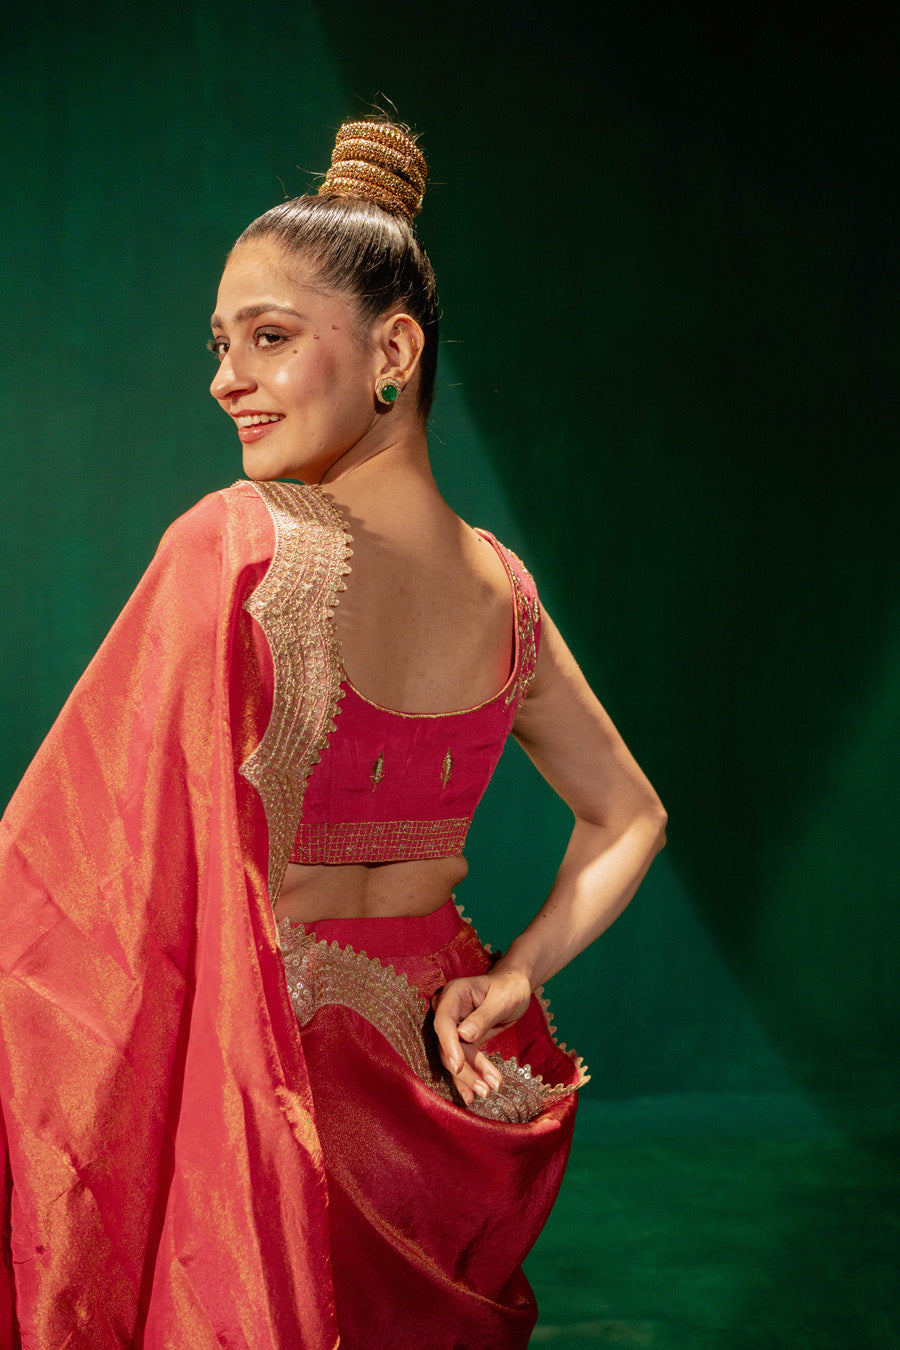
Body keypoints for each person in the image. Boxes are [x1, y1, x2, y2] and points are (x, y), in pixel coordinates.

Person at [0, 119, 666, 1348]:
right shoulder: (506, 595)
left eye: (269, 337)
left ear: (392, 351)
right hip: (437, 1083)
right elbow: (631, 816)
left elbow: (51, 882)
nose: (224, 379)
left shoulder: (231, 549)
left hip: (272, 1104)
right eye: (219, 344)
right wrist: (516, 974)